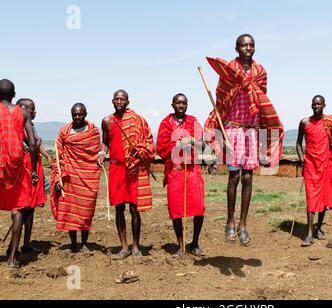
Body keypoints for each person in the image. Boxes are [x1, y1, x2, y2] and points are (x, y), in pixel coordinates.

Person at [204, 34, 284, 246]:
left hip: (252, 130)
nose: (248, 48)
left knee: (248, 178)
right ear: (237, 48)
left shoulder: (261, 72)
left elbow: (261, 98)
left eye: (251, 45)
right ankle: (229, 222)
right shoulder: (229, 70)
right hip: (232, 129)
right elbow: (222, 96)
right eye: (244, 45)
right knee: (233, 178)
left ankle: (243, 225)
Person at [98, 90, 155, 259]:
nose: (119, 101)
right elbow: (105, 142)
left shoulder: (138, 120)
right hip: (116, 168)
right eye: (117, 98)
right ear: (112, 101)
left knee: (134, 208)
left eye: (123, 99)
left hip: (133, 169)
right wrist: (101, 154)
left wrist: (141, 151)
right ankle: (124, 247)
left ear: (128, 101)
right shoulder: (107, 121)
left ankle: (136, 246)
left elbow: (148, 141)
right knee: (119, 208)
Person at [156, 93, 205, 256]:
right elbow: (161, 148)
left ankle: (195, 243)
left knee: (198, 207)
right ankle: (181, 245)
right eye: (178, 103)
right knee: (176, 208)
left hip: (192, 170)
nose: (181, 106)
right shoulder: (165, 123)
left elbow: (203, 145)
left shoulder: (193, 121)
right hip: (175, 170)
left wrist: (192, 141)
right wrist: (176, 146)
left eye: (184, 103)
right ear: (172, 105)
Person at [50, 103, 101, 254]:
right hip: (69, 176)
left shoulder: (93, 132)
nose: (77, 117)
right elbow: (58, 157)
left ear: (86, 114)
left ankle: (84, 244)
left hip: (88, 176)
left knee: (86, 210)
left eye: (80, 114)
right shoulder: (64, 132)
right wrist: (58, 176)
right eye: (74, 115)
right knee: (70, 209)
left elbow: (94, 155)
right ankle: (73, 244)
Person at [296, 95, 332, 246]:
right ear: (311, 105)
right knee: (311, 197)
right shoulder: (304, 122)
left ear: (324, 105)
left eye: (319, 104)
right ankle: (309, 233)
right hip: (310, 165)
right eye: (314, 104)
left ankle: (319, 227)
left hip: (326, 164)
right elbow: (298, 143)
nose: (316, 106)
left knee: (324, 196)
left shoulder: (329, 123)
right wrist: (302, 160)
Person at [0, 79, 39, 268]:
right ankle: (12, 258)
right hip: (17, 169)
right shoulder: (23, 112)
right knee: (17, 212)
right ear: (14, 94)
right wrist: (32, 169)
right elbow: (31, 143)